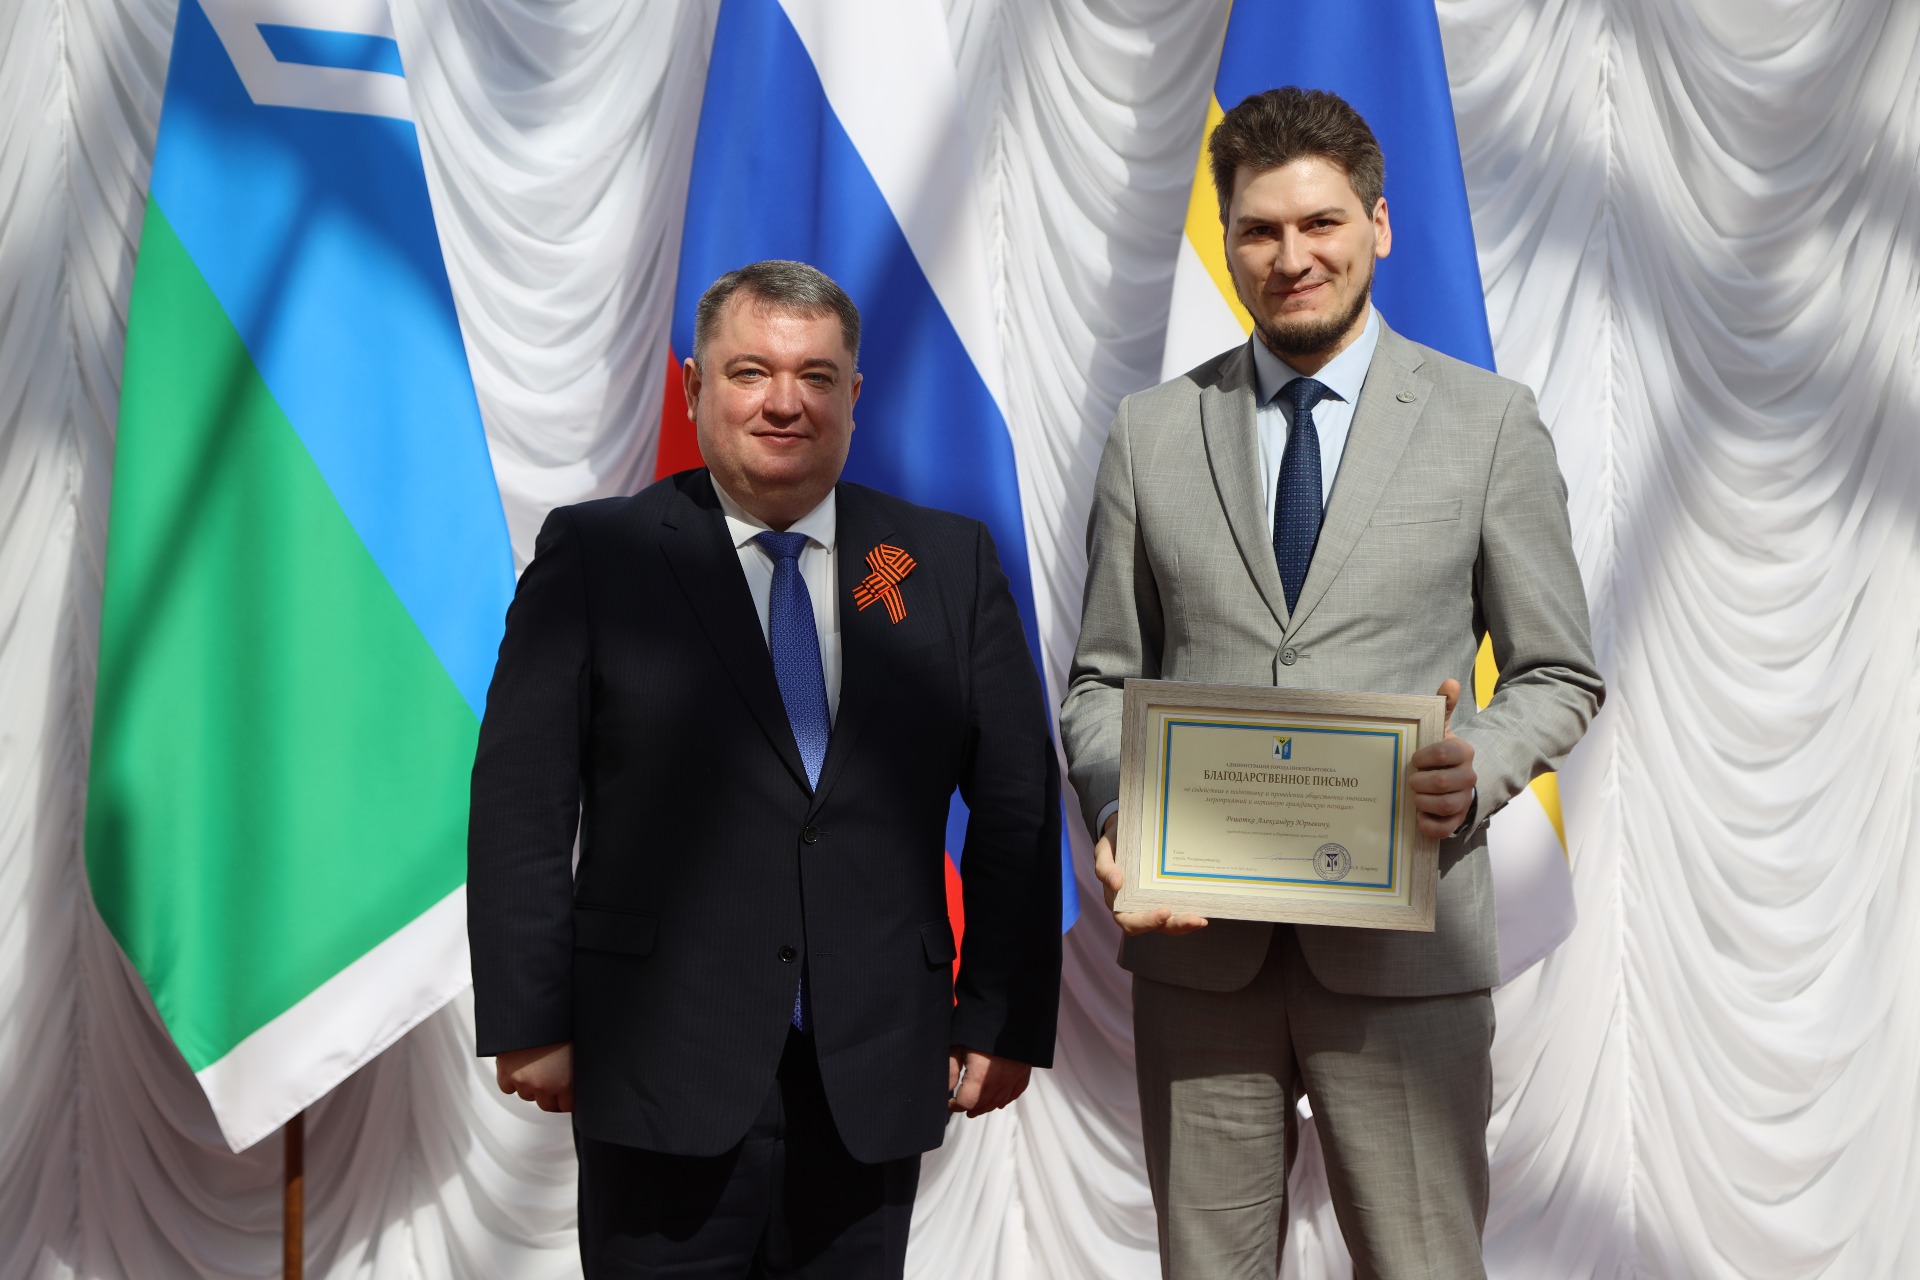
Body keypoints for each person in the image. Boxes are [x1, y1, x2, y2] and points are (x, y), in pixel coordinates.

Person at [1059, 88, 1604, 1279]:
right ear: (1227, 239)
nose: (1292, 256)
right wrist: (1116, 807)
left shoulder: (1488, 424)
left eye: (1320, 222)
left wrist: (1478, 769)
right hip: (1203, 955)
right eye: (1260, 229)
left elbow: (1560, 668)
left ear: (1379, 225)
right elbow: (1101, 680)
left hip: (1409, 947)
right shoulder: (1152, 431)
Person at [468, 260, 1063, 1279]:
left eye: (816, 376)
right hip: (657, 1062)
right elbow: (523, 800)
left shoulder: (946, 564)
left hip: (875, 1067)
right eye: (751, 372)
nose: (785, 402)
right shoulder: (597, 555)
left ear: (854, 396)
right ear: (695, 387)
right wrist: (528, 1017)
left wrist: (1001, 1014)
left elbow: (1017, 803)